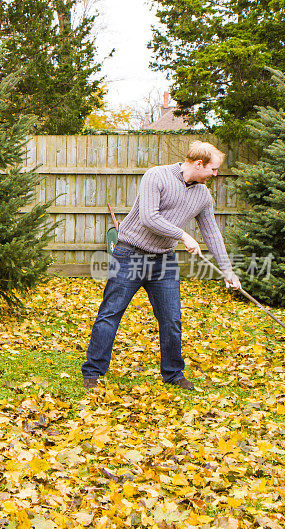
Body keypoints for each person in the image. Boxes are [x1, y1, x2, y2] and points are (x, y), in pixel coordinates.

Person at [81, 141, 241, 391]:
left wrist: (228, 271)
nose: (215, 175)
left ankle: (173, 374)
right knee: (110, 314)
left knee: (171, 320)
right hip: (129, 255)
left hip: (163, 262)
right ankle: (93, 371)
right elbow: (149, 217)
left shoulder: (202, 195)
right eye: (214, 169)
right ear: (199, 164)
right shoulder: (157, 175)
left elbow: (212, 234)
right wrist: (184, 235)